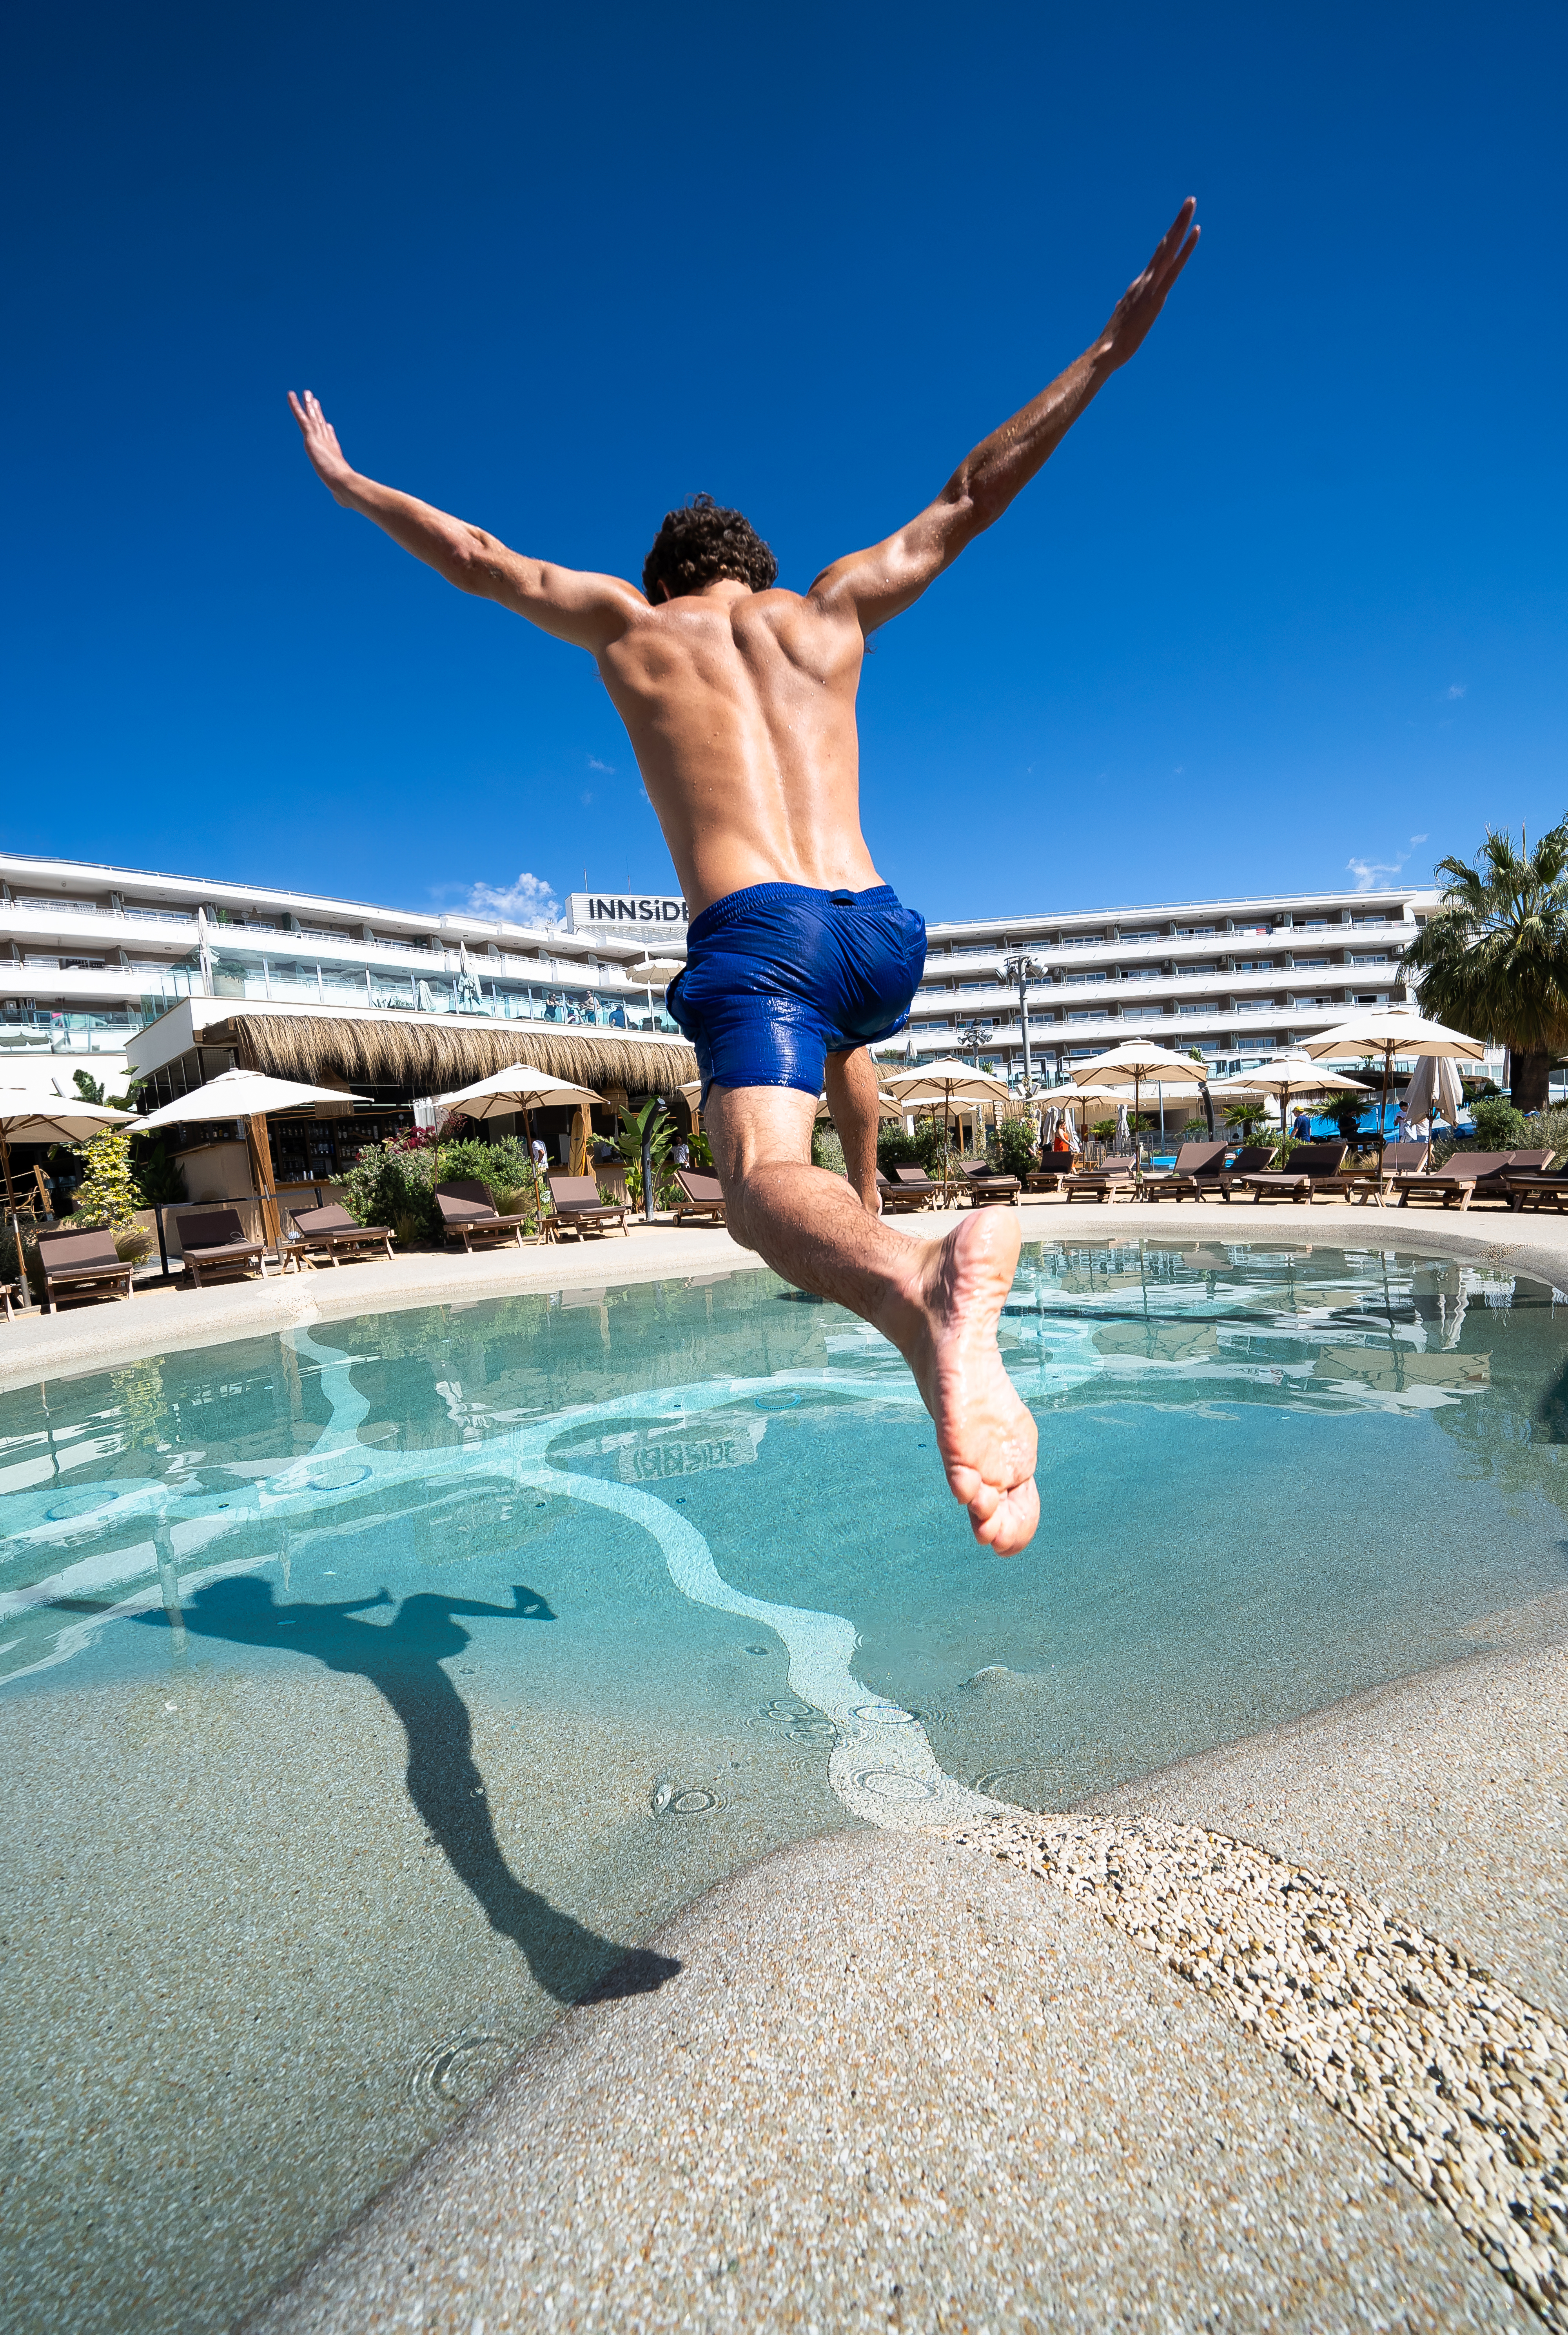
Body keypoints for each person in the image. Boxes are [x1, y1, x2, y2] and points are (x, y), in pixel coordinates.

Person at [289, 200, 1200, 1556]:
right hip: (882, 932)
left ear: (664, 581)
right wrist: (1107, 351)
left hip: (763, 933)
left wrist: (351, 481)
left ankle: (906, 1272)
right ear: (758, 571)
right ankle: (891, 1233)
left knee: (753, 1187)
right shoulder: (830, 608)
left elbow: (481, 560)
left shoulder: (631, 628)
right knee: (840, 1060)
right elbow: (972, 491)